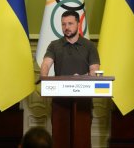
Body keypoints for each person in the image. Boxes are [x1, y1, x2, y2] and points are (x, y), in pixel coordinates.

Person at [40, 10, 100, 148]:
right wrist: (44, 79)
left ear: (78, 24)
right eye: (63, 24)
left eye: (70, 23)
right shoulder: (54, 45)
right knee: (60, 140)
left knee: (82, 140)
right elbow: (46, 64)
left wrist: (82, 78)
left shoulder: (89, 46)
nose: (66, 27)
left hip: (83, 102)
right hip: (59, 102)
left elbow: (94, 71)